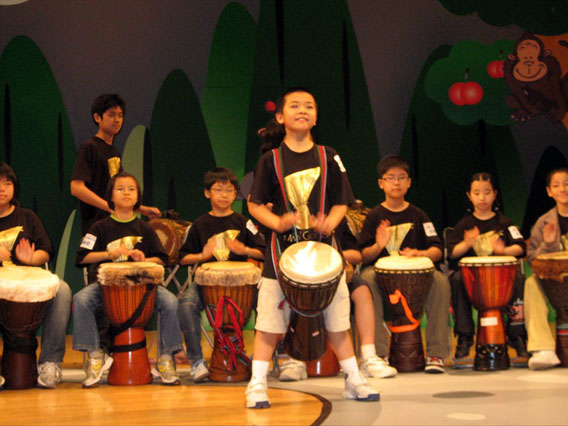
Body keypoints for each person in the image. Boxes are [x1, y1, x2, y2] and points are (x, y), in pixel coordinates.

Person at [245, 86, 379, 409]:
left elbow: (342, 201)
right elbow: (254, 204)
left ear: (316, 117)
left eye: (309, 106)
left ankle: (353, 379)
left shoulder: (329, 156)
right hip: (281, 255)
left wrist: (330, 222)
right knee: (268, 324)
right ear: (281, 117)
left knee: (338, 322)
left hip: (325, 254)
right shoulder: (270, 160)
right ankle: (257, 384)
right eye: (294, 106)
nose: (302, 110)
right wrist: (278, 222)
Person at [73, 172, 184, 387]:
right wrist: (108, 254)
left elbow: (161, 259)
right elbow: (82, 258)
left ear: (138, 196)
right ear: (111, 196)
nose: (126, 193)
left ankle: (165, 358)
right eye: (120, 189)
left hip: (144, 288)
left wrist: (145, 259)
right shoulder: (99, 227)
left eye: (131, 189)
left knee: (170, 301)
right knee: (81, 299)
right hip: (105, 287)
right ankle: (96, 355)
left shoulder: (145, 228)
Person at [358, 155, 451, 374]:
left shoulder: (419, 215)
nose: (396, 183)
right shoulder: (374, 216)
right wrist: (379, 245)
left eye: (401, 177)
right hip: (381, 277)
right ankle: (378, 354)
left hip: (417, 277)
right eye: (390, 178)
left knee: (440, 281)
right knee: (366, 280)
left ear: (409, 182)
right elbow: (363, 255)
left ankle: (436, 354)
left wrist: (420, 253)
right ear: (381, 183)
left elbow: (437, 250)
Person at [278, 217, 397, 381]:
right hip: (299, 281)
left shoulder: (336, 218)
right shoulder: (291, 217)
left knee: (362, 290)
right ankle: (296, 359)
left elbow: (356, 255)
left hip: (336, 277)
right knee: (289, 293)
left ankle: (368, 356)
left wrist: (329, 254)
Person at [177, 167, 266, 383]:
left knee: (268, 303)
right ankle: (197, 362)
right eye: (218, 190)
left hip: (243, 287)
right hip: (206, 286)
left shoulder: (243, 222)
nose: (224, 195)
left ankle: (261, 359)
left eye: (229, 190)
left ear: (236, 194)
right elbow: (182, 259)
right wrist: (202, 255)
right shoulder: (199, 225)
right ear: (207, 193)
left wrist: (244, 250)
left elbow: (263, 252)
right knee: (186, 304)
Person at [0, 163, 71, 389]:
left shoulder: (27, 217)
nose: (2, 189)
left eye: (7, 183)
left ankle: (50, 362)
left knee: (62, 290)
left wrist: (31, 259)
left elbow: (45, 251)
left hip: (28, 282)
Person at [447, 172, 528, 359]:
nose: (482, 198)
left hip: (501, 279)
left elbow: (521, 247)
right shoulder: (464, 224)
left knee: (519, 278)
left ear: (495, 194)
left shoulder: (505, 222)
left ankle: (516, 335)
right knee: (457, 279)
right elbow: (452, 253)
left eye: (487, 192)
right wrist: (467, 243)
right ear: (469, 196)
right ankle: (465, 336)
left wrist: (503, 250)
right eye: (477, 193)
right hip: (473, 280)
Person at [70, 94, 160, 236]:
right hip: (95, 228)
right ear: (97, 117)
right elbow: (76, 188)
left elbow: (117, 195)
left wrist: (142, 209)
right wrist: (108, 206)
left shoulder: (114, 152)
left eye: (120, 115)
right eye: (111, 115)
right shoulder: (89, 147)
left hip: (114, 226)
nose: (117, 120)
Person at [524, 167, 568, 370]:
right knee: (532, 283)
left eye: (566, 184)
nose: (563, 189)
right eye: (557, 186)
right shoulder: (544, 222)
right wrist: (548, 244)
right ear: (549, 191)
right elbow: (532, 259)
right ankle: (543, 349)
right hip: (555, 280)